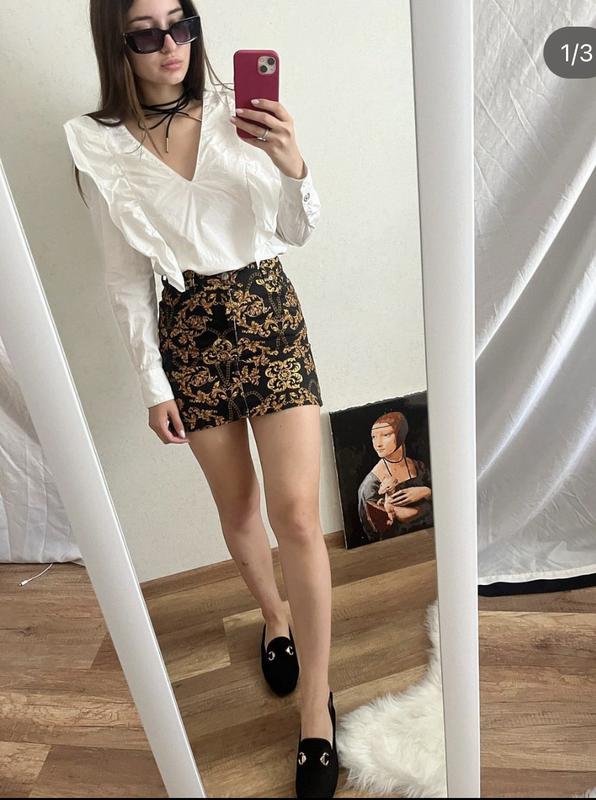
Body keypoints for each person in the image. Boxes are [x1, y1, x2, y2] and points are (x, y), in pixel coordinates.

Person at [63, 2, 338, 796]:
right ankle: (275, 619)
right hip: (188, 329)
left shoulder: (235, 110)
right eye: (147, 34)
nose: (171, 46)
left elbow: (297, 231)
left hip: (267, 309)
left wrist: (292, 163)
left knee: (297, 515)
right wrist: (153, 385)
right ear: (116, 44)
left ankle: (315, 709)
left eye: (180, 23)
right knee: (240, 509)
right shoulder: (98, 143)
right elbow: (124, 278)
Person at [357, 412, 433, 542]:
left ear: (400, 435)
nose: (378, 444)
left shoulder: (419, 467)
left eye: (386, 435)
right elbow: (376, 534)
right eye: (374, 437)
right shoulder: (370, 486)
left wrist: (426, 491)